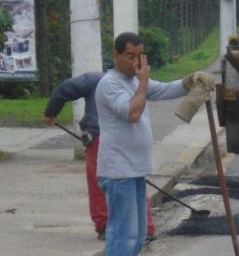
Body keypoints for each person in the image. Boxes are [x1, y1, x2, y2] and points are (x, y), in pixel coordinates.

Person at [95, 32, 187, 256]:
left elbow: (166, 89)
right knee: (123, 229)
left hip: (135, 168)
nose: (136, 62)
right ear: (117, 55)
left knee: (136, 231)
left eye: (140, 55)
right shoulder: (110, 84)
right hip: (118, 170)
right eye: (130, 55)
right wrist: (144, 81)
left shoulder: (135, 81)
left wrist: (190, 81)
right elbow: (132, 113)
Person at [43, 73, 156, 240]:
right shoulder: (135, 84)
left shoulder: (95, 80)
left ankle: (106, 226)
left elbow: (64, 89)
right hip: (128, 139)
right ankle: (144, 227)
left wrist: (51, 112)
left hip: (101, 139)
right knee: (134, 181)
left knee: (100, 183)